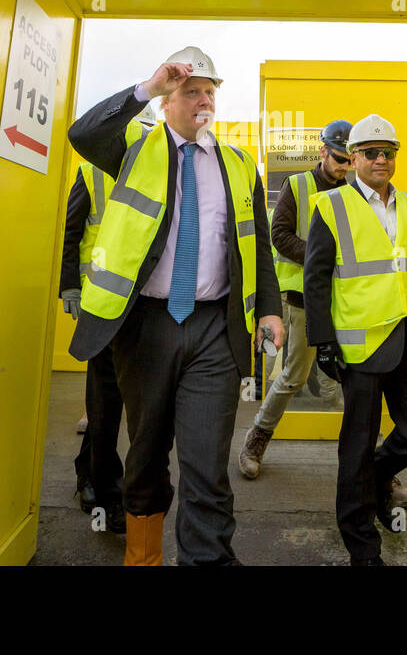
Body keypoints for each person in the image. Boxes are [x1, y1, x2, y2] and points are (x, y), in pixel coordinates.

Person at [67, 46, 284, 566]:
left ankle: (207, 559)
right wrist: (148, 86)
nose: (203, 100)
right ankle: (143, 557)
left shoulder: (237, 164)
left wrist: (271, 309)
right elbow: (83, 134)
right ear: (169, 100)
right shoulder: (133, 150)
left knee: (207, 465)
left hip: (215, 327)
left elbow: (253, 246)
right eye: (191, 90)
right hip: (145, 327)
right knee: (144, 458)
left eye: (210, 91)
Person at [304, 113, 407, 566]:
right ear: (353, 158)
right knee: (357, 443)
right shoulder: (330, 206)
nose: (381, 159)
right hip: (361, 344)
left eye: (389, 152)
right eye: (371, 153)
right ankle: (360, 543)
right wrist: (323, 341)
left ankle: (373, 479)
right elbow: (316, 279)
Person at [60, 105, 156, 534]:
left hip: (144, 307)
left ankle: (94, 474)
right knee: (104, 407)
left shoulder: (163, 174)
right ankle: (106, 492)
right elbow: (72, 230)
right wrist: (70, 287)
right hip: (100, 303)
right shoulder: (92, 172)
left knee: (123, 404)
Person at [237, 121, 351, 477]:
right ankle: (257, 436)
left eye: (349, 159)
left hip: (347, 299)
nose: (344, 166)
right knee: (294, 376)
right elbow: (279, 234)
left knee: (361, 380)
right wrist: (321, 258)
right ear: (322, 151)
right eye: (338, 158)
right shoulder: (298, 185)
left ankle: (376, 462)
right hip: (303, 298)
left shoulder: (353, 191)